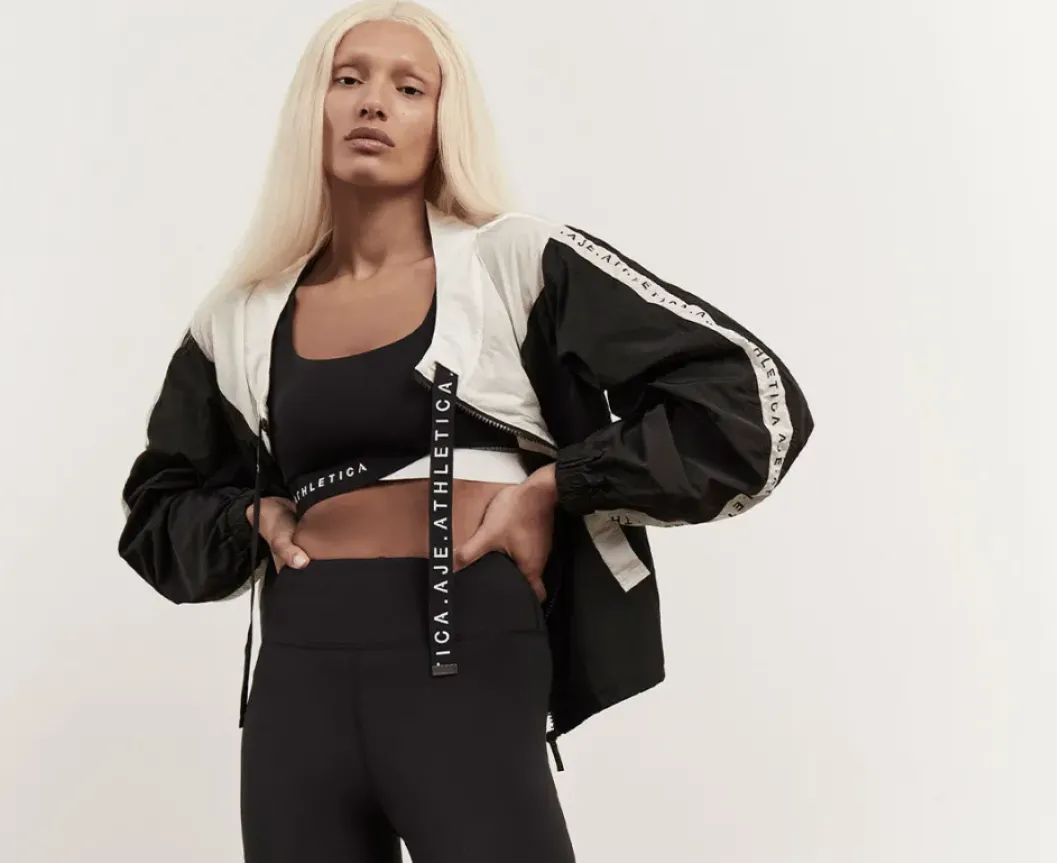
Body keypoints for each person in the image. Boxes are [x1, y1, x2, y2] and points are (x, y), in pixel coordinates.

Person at [115, 1, 814, 860]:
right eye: (347, 78)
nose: (373, 102)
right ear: (312, 107)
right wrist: (247, 516)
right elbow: (156, 507)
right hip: (296, 674)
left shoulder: (514, 261)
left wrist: (558, 485)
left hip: (463, 648)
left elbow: (745, 399)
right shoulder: (241, 314)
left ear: (446, 120)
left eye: (410, 88)